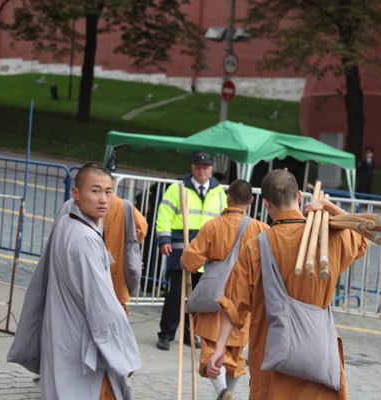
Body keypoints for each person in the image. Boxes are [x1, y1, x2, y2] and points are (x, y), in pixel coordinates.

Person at [208, 169, 368, 400]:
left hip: (271, 351)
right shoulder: (328, 237)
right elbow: (364, 233)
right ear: (301, 196)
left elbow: (233, 304)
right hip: (318, 350)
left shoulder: (255, 246)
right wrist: (330, 208)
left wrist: (220, 348)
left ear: (266, 204)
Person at [8, 166, 142, 400]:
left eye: (109, 192)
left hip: (61, 336)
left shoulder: (65, 223)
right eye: (95, 191)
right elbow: (103, 307)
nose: (103, 199)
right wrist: (121, 353)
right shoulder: (85, 237)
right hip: (81, 346)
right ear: (76, 193)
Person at [181, 180, 269, 400]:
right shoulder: (260, 229)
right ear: (251, 200)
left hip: (215, 295)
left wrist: (186, 259)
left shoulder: (213, 225)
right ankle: (230, 392)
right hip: (243, 298)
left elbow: (191, 261)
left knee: (211, 345)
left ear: (228, 198)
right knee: (237, 352)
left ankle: (221, 390)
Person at [54, 163, 149, 315]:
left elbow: (58, 238)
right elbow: (141, 228)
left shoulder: (72, 206)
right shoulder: (122, 206)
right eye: (95, 190)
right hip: (113, 278)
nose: (103, 200)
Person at [155, 152, 228, 351]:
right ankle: (166, 334)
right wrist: (164, 239)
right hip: (180, 248)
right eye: (197, 167)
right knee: (176, 293)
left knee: (197, 296)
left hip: (206, 253)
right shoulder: (177, 189)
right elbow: (164, 215)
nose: (201, 170)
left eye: (205, 167)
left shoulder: (219, 193)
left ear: (211, 170)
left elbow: (225, 220)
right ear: (192, 168)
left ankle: (190, 334)